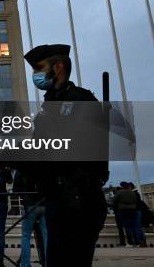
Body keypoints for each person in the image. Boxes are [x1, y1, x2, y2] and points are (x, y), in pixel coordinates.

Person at [24, 44, 109, 266]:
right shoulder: (49, 104)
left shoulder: (80, 99)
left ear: (58, 66)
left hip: (78, 197)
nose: (36, 75)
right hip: (57, 198)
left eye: (39, 68)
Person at [13, 169, 46, 267]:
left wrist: (24, 198)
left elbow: (15, 190)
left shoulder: (21, 169)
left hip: (29, 206)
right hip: (43, 204)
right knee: (46, 236)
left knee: (26, 236)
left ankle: (25, 264)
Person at [114, 182, 143, 247]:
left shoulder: (120, 192)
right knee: (134, 227)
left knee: (127, 227)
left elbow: (115, 201)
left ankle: (130, 242)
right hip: (133, 210)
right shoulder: (132, 193)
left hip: (124, 211)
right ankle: (137, 242)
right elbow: (136, 201)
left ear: (122, 186)